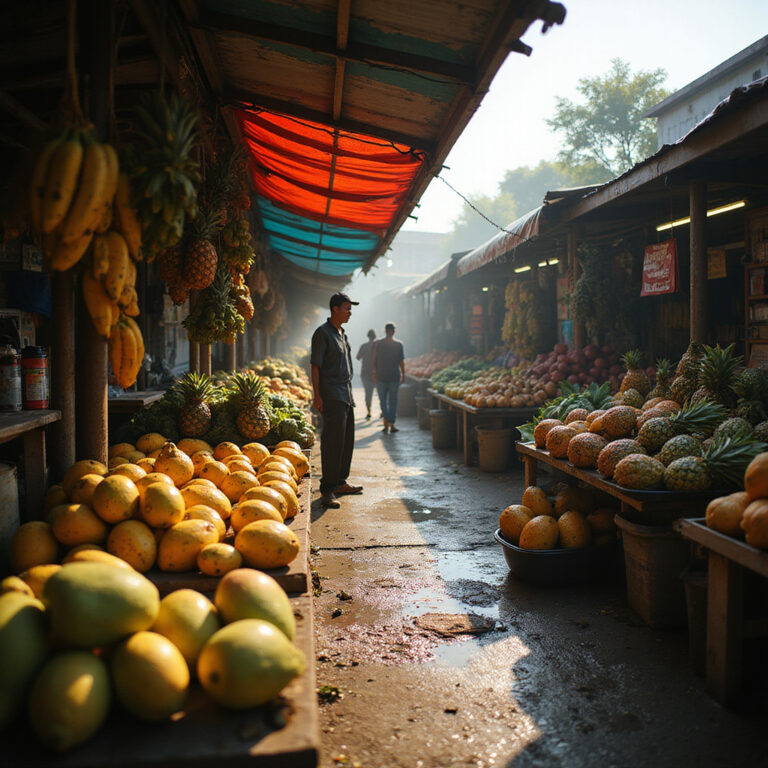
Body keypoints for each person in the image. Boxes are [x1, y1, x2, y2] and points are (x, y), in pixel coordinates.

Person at [310, 293, 364, 508]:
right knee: (332, 442)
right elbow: (315, 366)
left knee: (346, 440)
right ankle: (327, 489)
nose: (350, 312)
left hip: (346, 395)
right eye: (347, 308)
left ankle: (340, 482)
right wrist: (317, 394)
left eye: (351, 309)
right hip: (331, 394)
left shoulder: (342, 334)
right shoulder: (322, 334)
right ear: (335, 309)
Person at [371, 322, 405, 433]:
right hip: (393, 376)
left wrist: (374, 373)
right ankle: (391, 423)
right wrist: (403, 374)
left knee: (383, 401)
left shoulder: (378, 344)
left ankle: (386, 422)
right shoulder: (398, 344)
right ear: (393, 331)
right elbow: (401, 362)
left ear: (385, 331)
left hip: (382, 377)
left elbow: (373, 360)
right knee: (393, 401)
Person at [356, 329, 377, 420]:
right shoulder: (378, 346)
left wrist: (364, 361)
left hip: (365, 372)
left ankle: (369, 411)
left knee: (368, 392)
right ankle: (383, 412)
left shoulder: (363, 346)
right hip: (377, 372)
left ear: (368, 336)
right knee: (381, 392)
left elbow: (358, 357)